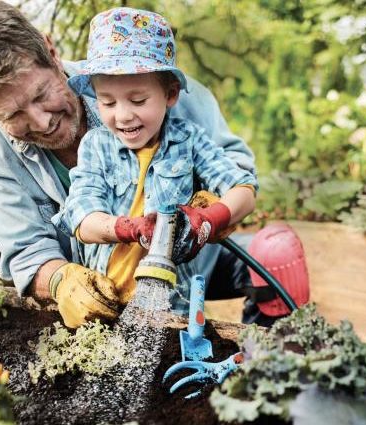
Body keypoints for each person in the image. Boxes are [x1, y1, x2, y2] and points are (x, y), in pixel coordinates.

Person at [0, 0, 269, 328]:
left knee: (276, 256)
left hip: (193, 263)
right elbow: (28, 248)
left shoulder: (146, 80)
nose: (40, 122)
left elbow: (238, 174)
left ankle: (264, 370)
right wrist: (61, 281)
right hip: (108, 290)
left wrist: (208, 211)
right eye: (13, 115)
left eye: (41, 95)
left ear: (51, 52)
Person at [54, 7, 257, 314]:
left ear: (171, 94)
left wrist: (210, 219)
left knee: (278, 250)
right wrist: (128, 228)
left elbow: (243, 188)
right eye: (107, 102)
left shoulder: (189, 141)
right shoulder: (96, 146)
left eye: (138, 100)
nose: (123, 115)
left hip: (172, 304)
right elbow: (82, 218)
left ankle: (263, 356)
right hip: (104, 301)